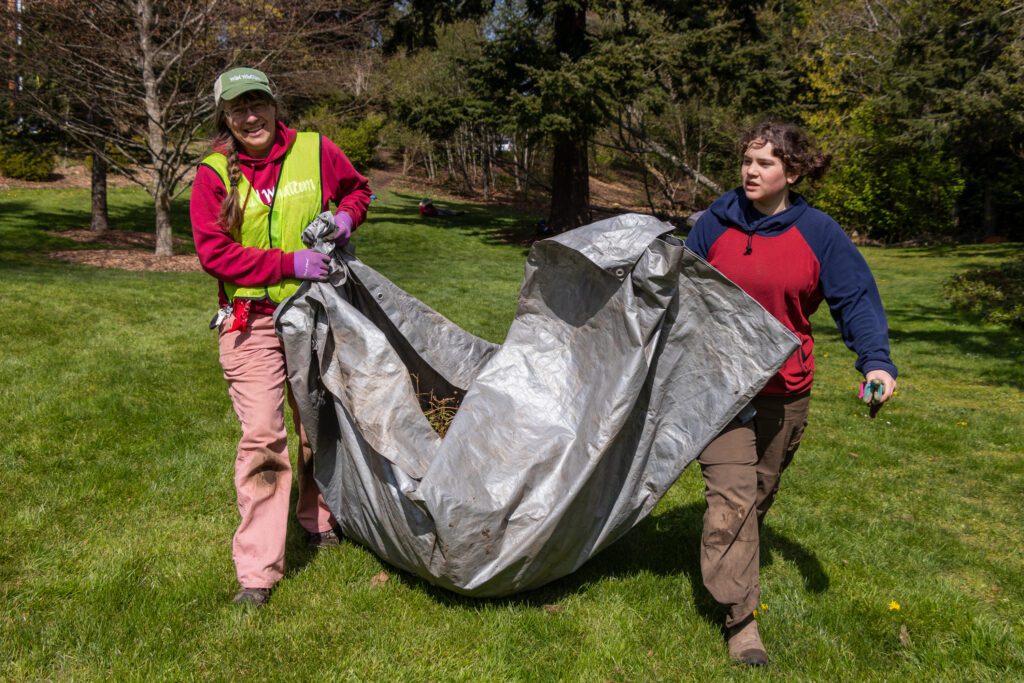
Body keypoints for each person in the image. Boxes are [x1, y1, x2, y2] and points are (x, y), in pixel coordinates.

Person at [684, 122, 897, 665]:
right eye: (747, 162)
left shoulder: (819, 234)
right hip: (721, 388)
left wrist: (876, 362)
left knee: (755, 496)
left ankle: (733, 566)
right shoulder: (715, 223)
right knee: (730, 499)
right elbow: (678, 292)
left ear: (792, 173)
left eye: (765, 164)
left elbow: (856, 300)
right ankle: (741, 622)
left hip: (785, 388)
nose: (751, 172)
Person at [190, 67, 373, 607]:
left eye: (258, 103)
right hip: (251, 319)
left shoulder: (316, 150)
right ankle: (258, 571)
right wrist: (289, 261)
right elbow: (213, 254)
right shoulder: (213, 172)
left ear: (274, 105)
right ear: (225, 116)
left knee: (318, 421)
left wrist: (343, 219)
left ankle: (319, 519)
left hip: (317, 311)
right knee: (264, 435)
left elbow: (359, 189)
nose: (250, 116)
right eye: (238, 108)